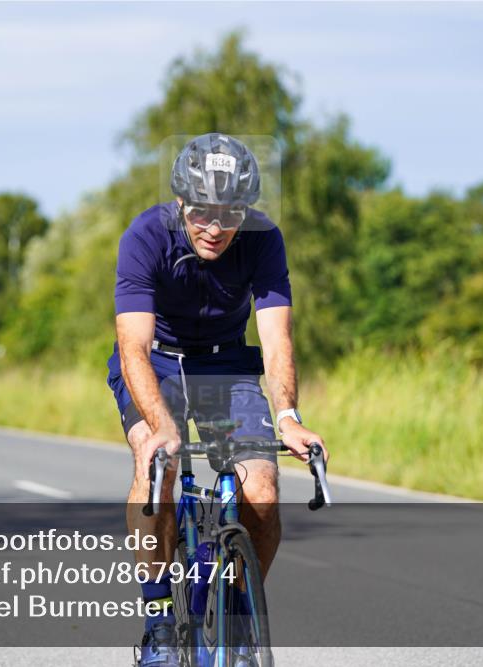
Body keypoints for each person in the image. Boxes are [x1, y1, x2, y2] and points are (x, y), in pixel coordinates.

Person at [107, 133, 328, 666]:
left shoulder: (263, 239)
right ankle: (159, 621)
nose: (215, 228)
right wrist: (160, 426)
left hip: (226, 364)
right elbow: (131, 345)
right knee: (155, 467)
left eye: (230, 214)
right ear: (182, 200)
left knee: (264, 492)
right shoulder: (145, 235)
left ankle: (236, 615)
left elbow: (276, 340)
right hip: (157, 361)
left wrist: (289, 417)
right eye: (203, 212)